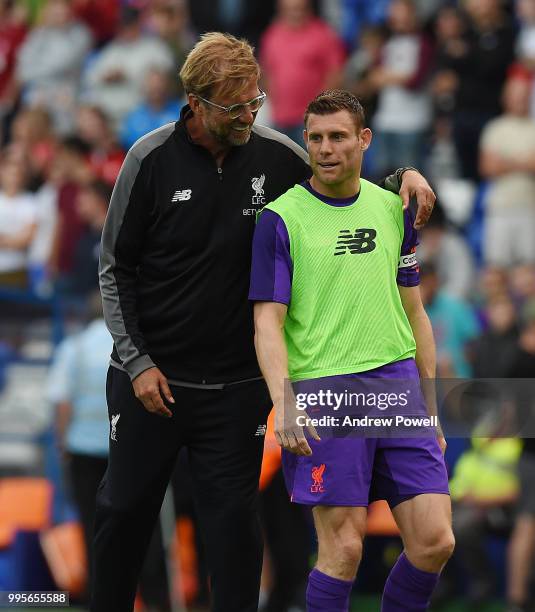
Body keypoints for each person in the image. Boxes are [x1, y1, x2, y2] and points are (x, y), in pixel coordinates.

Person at [94, 33, 436, 612]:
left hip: (237, 390)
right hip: (152, 383)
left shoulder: (277, 154)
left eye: (255, 101)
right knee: (123, 511)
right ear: (196, 103)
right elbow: (114, 269)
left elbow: (344, 179)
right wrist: (138, 362)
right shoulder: (147, 160)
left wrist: (401, 173)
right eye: (235, 107)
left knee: (233, 529)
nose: (249, 116)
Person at [250, 90, 452, 611]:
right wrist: (285, 401)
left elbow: (416, 313)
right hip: (325, 391)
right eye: (315, 137)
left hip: (398, 386)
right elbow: (266, 323)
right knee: (342, 550)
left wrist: (431, 406)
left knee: (434, 542)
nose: (325, 148)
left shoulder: (393, 209)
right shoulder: (280, 218)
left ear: (364, 140)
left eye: (338, 136)